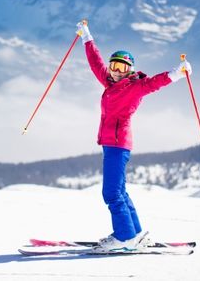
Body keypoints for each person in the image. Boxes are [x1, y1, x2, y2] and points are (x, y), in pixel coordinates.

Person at [76, 20, 192, 252]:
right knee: (119, 191)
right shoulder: (109, 82)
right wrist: (86, 37)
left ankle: (124, 237)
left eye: (122, 68)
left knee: (111, 192)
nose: (117, 72)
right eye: (114, 66)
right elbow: (95, 63)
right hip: (112, 144)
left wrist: (176, 73)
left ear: (130, 70)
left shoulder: (134, 87)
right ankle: (135, 233)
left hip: (118, 144)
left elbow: (154, 83)